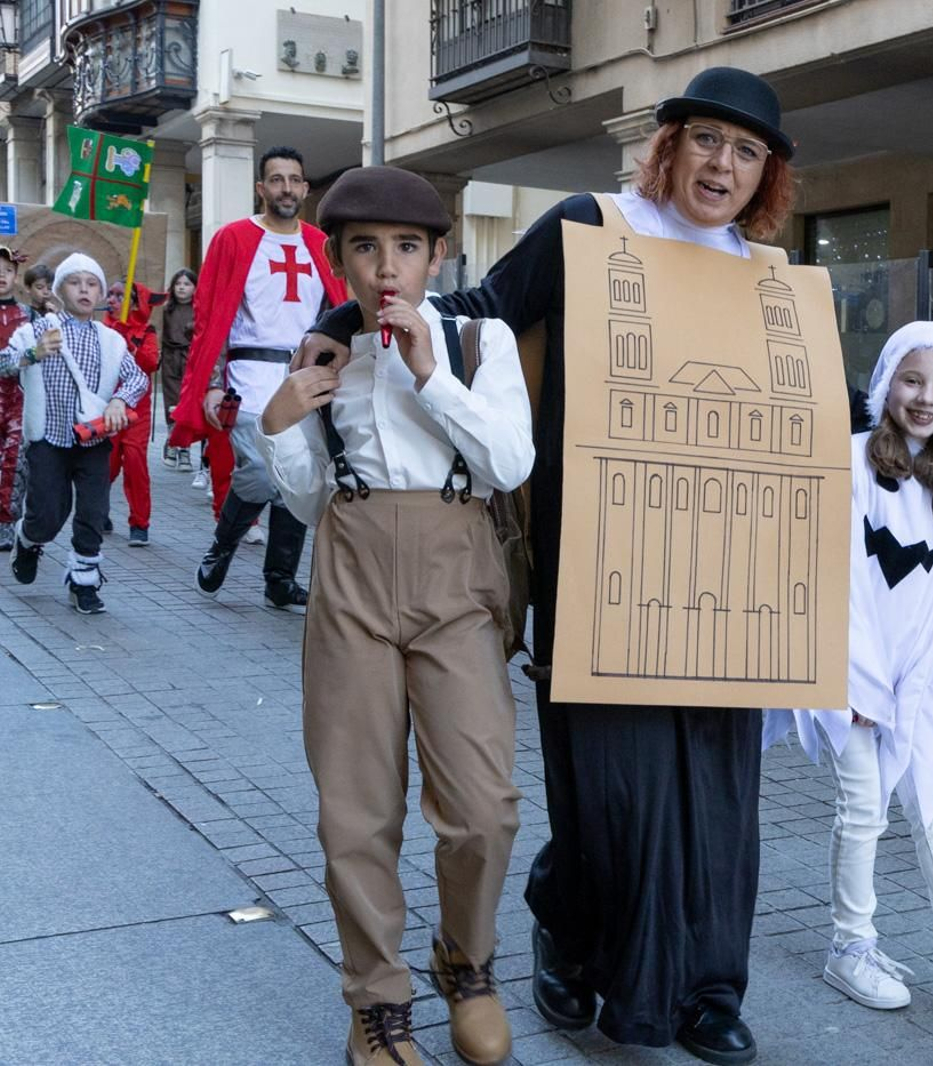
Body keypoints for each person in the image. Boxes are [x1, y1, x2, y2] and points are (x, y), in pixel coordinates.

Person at [298, 68, 799, 1064]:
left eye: (747, 152)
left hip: (728, 571)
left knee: (718, 792)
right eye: (706, 140)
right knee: (613, 791)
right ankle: (565, 927)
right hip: (596, 559)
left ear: (766, 175)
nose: (722, 165)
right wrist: (350, 322)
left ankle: (704, 992)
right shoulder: (591, 224)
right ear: (669, 145)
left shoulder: (765, 277)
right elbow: (477, 306)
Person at [257, 166, 533, 1066]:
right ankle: (377, 1004)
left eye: (406, 248)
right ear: (338, 258)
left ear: (436, 255)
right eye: (366, 248)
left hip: (458, 576)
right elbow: (306, 502)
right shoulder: (324, 348)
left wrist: (429, 376)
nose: (387, 269)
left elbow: (508, 464)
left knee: (484, 808)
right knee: (356, 812)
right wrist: (281, 423)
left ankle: (468, 961)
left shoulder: (477, 341)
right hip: (352, 570)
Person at [766, 322, 933, 1013]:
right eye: (912, 380)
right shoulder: (850, 462)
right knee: (861, 809)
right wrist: (856, 679)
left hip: (915, 680)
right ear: (887, 384)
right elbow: (835, 574)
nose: (926, 397)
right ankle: (849, 946)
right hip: (851, 675)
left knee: (932, 803)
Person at [170, 146, 344, 608]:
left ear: (305, 188)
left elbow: (336, 311)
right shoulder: (234, 238)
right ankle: (221, 547)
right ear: (261, 188)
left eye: (294, 180)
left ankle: (279, 580)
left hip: (302, 376)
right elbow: (212, 317)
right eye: (277, 179)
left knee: (297, 477)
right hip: (248, 376)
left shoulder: (320, 244)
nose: (286, 188)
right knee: (262, 476)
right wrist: (210, 381)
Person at [1, 253, 148, 613]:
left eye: (92, 283)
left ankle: (84, 581)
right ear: (58, 289)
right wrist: (32, 355)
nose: (84, 289)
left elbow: (137, 378)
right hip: (48, 439)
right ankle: (28, 538)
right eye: (74, 282)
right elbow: (4, 363)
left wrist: (118, 402)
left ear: (100, 295)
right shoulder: (37, 329)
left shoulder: (110, 339)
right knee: (47, 513)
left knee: (93, 511)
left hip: (93, 439)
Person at [103, 279, 165, 546]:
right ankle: (98, 511)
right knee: (107, 464)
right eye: (111, 295)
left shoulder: (146, 332)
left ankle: (139, 524)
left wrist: (130, 345)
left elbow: (151, 364)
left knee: (136, 463)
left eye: (120, 296)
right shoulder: (103, 329)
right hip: (107, 407)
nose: (113, 300)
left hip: (137, 410)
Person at [0, 246, 35, 552]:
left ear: (16, 276)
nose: (2, 275)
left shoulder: (28, 314)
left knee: (15, 463)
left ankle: (7, 523)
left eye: (8, 270)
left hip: (19, 401)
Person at [160, 268, 197, 470]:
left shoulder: (199, 308)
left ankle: (185, 450)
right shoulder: (167, 309)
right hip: (170, 360)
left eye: (187, 284)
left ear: (195, 288)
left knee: (187, 404)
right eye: (178, 284)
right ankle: (173, 442)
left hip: (190, 360)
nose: (182, 288)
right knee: (172, 403)